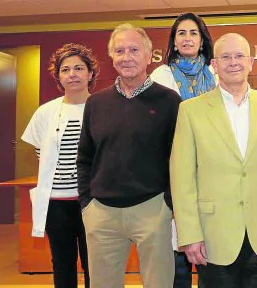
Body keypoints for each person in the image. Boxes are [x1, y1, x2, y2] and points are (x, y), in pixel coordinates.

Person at [171, 33, 257, 288]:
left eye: (239, 56)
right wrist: (190, 234)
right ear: (214, 65)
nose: (233, 62)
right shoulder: (190, 111)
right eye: (225, 57)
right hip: (213, 236)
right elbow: (182, 178)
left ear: (251, 62)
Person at [77, 23, 181, 288]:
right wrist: (87, 203)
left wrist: (168, 204)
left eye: (134, 50)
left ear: (149, 56)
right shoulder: (95, 103)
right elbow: (85, 158)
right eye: (120, 51)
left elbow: (178, 158)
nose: (127, 57)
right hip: (101, 213)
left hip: (152, 209)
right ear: (112, 58)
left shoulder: (169, 101)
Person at [21, 43, 98, 288]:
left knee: (94, 263)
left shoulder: (101, 108)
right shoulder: (46, 112)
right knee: (62, 262)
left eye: (79, 68)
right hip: (56, 203)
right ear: (58, 76)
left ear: (90, 73)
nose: (72, 74)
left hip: (92, 202)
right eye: (65, 70)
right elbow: (40, 152)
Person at [150, 12, 215, 288]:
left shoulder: (214, 74)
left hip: (211, 168)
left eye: (193, 33)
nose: (187, 38)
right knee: (177, 249)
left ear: (202, 42)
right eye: (181, 33)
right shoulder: (161, 75)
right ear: (174, 42)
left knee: (210, 246)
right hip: (172, 167)